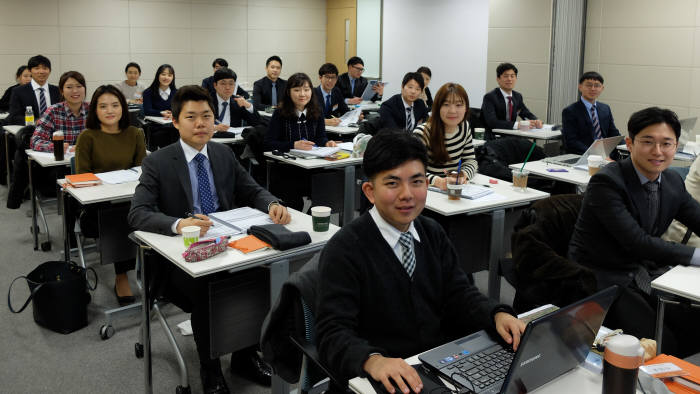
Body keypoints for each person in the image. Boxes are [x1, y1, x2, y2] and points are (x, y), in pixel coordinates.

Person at [315, 129, 524, 393]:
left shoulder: (432, 232)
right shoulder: (345, 249)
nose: (407, 194)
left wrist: (496, 314)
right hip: (378, 382)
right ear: (369, 191)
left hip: (435, 369)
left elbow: (458, 294)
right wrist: (372, 360)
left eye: (416, 181)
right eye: (392, 183)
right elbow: (332, 333)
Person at [128, 85, 291, 393]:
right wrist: (179, 224)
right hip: (181, 262)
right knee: (210, 287)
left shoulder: (223, 152)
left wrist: (271, 204)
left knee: (266, 274)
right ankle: (210, 366)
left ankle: (245, 355)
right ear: (175, 121)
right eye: (191, 117)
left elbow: (251, 189)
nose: (201, 123)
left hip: (229, 244)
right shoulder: (158, 162)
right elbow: (137, 214)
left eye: (207, 116)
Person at [568, 107, 700, 358]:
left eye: (666, 143)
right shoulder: (607, 182)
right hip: (602, 277)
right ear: (629, 144)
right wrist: (697, 256)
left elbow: (696, 217)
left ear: (676, 146)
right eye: (648, 142)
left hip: (643, 271)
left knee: (694, 324)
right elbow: (638, 243)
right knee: (662, 342)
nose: (658, 151)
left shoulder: (671, 181)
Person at [74, 85, 146, 304]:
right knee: (120, 216)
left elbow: (142, 171)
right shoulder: (88, 137)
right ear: (94, 110)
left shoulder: (135, 133)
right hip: (98, 209)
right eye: (103, 106)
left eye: (115, 105)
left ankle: (153, 273)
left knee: (149, 212)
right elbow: (83, 178)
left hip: (130, 199)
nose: (110, 110)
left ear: (123, 108)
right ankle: (121, 275)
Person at [263, 72, 337, 211]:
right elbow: (268, 143)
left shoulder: (317, 111)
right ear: (289, 92)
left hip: (312, 167)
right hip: (287, 169)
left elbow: (320, 138)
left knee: (328, 192)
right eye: (297, 90)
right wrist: (293, 145)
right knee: (295, 205)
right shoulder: (280, 113)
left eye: (306, 89)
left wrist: (327, 143)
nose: (302, 94)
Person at [3, 55, 61, 204]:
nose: (41, 71)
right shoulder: (20, 91)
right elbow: (14, 116)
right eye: (37, 68)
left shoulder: (56, 90)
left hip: (56, 134)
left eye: (45, 68)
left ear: (49, 70)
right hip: (31, 133)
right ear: (30, 70)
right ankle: (27, 188)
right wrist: (36, 121)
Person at [414, 82, 477, 190]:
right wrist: (438, 182)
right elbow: (412, 171)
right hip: (427, 193)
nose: (452, 111)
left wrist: (463, 175)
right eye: (446, 105)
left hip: (453, 189)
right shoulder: (422, 133)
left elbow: (470, 160)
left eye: (458, 105)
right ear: (437, 108)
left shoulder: (464, 127)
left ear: (466, 108)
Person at [561, 71, 620, 155]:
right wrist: (595, 154)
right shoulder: (570, 111)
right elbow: (572, 141)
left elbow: (614, 134)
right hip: (584, 155)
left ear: (602, 88)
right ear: (580, 87)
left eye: (597, 86)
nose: (593, 89)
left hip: (607, 154)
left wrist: (628, 147)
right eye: (588, 85)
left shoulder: (605, 108)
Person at [481, 62, 541, 132]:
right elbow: (492, 122)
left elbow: (525, 113)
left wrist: (536, 121)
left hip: (511, 135)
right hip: (493, 136)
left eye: (512, 76)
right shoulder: (490, 97)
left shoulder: (517, 96)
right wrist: (517, 125)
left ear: (516, 78)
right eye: (506, 76)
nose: (509, 79)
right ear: (498, 79)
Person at [211, 68, 260, 134]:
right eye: (223, 83)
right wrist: (214, 127)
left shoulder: (237, 101)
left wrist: (248, 106)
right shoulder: (206, 102)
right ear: (215, 85)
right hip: (211, 140)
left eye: (231, 84)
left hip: (234, 141)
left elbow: (257, 123)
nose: (227, 87)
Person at [314, 63, 352, 127]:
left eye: (333, 77)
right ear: (320, 78)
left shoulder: (336, 91)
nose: (330, 80)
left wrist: (355, 116)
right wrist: (325, 121)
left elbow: (345, 110)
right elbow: (308, 117)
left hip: (334, 130)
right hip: (317, 131)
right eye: (327, 77)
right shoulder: (313, 93)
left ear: (336, 79)